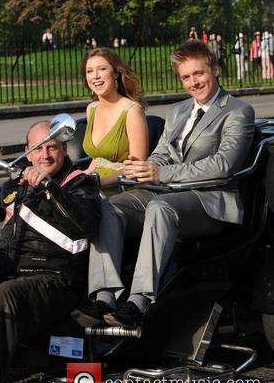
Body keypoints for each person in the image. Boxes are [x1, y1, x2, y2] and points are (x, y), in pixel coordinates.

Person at [73, 40, 255, 329]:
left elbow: (223, 166)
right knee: (107, 207)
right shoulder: (178, 111)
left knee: (160, 207)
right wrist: (146, 168)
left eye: (199, 74)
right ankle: (104, 297)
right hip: (164, 192)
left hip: (209, 200)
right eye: (186, 77)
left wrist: (162, 174)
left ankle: (139, 302)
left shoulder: (238, 111)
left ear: (215, 70)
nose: (193, 83)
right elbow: (162, 154)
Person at [0, 120, 101, 383]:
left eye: (53, 147)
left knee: (7, 293)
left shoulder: (80, 184)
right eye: (38, 148)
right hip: (10, 276)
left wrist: (50, 188)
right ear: (27, 152)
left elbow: (85, 224)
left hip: (57, 282)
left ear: (64, 149)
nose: (45, 155)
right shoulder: (15, 186)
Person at [81, 47, 149, 192]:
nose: (96, 76)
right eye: (90, 71)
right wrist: (81, 177)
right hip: (93, 187)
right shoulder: (91, 109)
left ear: (116, 73)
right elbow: (98, 159)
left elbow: (137, 169)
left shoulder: (132, 110)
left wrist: (98, 183)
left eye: (102, 69)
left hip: (122, 189)